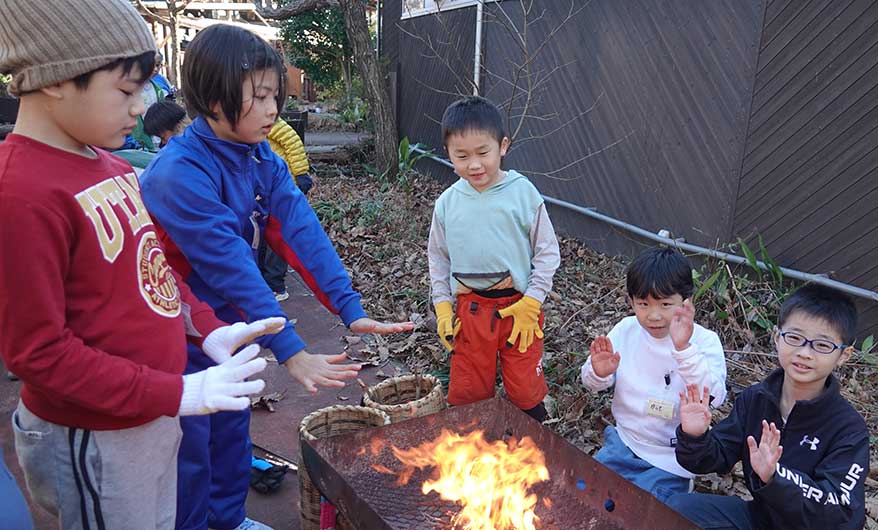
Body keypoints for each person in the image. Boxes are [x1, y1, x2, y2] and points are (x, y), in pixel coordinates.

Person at [0, 2, 284, 529]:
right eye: (127, 91)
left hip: (154, 408)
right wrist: (175, 391)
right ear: (58, 79)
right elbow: (38, 352)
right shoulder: (21, 191)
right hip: (95, 435)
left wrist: (206, 331)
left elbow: (154, 271)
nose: (142, 108)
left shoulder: (110, 166)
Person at [140, 24, 414, 530]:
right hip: (177, 327)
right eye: (260, 97)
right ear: (215, 97)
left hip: (230, 323)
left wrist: (349, 307)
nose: (273, 110)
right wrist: (289, 347)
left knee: (231, 427)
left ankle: (227, 521)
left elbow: (300, 229)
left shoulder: (260, 154)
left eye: (275, 96)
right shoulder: (179, 172)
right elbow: (231, 264)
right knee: (190, 444)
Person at [671, 284, 869, 530]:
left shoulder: (848, 428)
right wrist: (695, 436)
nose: (805, 353)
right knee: (677, 509)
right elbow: (714, 458)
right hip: (761, 519)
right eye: (795, 338)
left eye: (822, 345)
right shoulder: (757, 399)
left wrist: (776, 477)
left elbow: (842, 513)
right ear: (777, 337)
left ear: (844, 355)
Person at [427, 95, 561, 421]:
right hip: (470, 312)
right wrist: (443, 307)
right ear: (449, 154)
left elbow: (547, 251)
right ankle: (473, 450)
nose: (474, 164)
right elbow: (438, 259)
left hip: (520, 310)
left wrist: (533, 301)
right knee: (470, 391)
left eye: (483, 153)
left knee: (526, 390)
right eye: (461, 156)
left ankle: (533, 446)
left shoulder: (522, 192)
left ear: (502, 146)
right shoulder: (447, 203)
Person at [580, 247, 726, 504]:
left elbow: (714, 397)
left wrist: (683, 350)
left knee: (641, 511)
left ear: (686, 301)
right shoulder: (626, 330)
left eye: (666, 304)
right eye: (643, 304)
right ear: (631, 301)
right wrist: (599, 373)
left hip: (670, 459)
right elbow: (591, 382)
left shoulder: (704, 341)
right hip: (624, 444)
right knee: (585, 494)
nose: (654, 315)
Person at [262, 118, 315, 301]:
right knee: (261, 235)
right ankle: (266, 281)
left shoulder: (262, 115)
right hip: (262, 186)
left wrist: (301, 173)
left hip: (281, 184)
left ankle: (276, 285)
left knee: (276, 236)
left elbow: (292, 141)